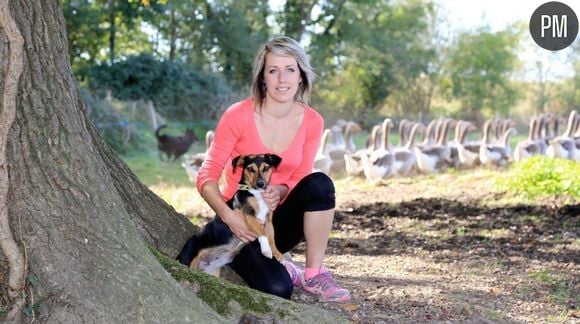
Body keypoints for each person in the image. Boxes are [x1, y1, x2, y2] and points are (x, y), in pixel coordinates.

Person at [196, 35, 350, 302]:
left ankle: (313, 274)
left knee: (320, 184)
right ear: (262, 78)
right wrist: (228, 216)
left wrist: (281, 189)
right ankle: (284, 268)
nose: (282, 79)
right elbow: (206, 175)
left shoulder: (313, 121)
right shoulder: (238, 115)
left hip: (277, 221)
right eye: (273, 70)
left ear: (301, 75)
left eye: (290, 69)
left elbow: (301, 175)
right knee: (278, 290)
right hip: (240, 223)